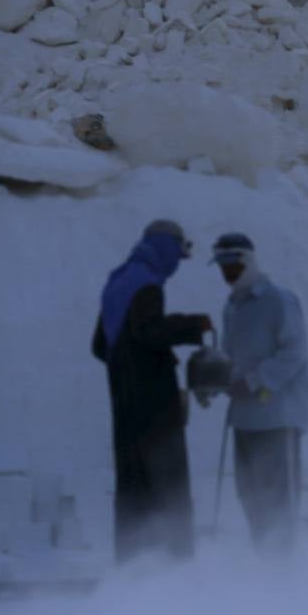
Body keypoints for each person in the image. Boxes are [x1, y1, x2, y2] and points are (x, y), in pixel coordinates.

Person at [92, 219, 212, 563]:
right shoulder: (147, 285)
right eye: (176, 254)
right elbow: (149, 330)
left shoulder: (117, 282)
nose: (176, 264)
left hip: (124, 405)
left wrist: (129, 365)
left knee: (133, 485)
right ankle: (173, 566)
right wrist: (193, 325)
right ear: (164, 248)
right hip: (154, 407)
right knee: (165, 482)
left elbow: (100, 345)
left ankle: (133, 565)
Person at [212, 232, 308, 554]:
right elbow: (232, 356)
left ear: (248, 262)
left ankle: (283, 567)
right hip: (243, 419)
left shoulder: (279, 300)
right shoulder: (232, 306)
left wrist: (254, 382)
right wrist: (217, 378)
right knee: (250, 495)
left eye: (232, 265)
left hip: (277, 418)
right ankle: (264, 564)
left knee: (278, 499)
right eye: (222, 267)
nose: (227, 273)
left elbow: (294, 353)